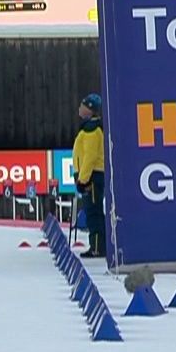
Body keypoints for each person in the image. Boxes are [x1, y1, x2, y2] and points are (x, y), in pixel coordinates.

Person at [73, 93, 105, 257]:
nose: (80, 108)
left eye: (83, 105)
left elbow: (90, 157)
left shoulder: (91, 130)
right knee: (94, 211)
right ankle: (98, 245)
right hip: (91, 176)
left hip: (91, 177)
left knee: (93, 213)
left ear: (90, 109)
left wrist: (83, 179)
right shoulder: (89, 128)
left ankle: (97, 247)